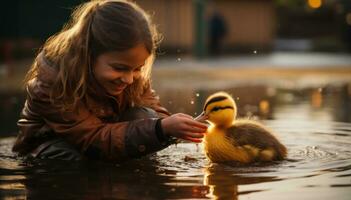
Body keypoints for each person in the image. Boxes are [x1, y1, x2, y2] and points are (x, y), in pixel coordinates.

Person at [12, 0, 208, 161]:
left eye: (137, 69)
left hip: (103, 140)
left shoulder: (130, 76)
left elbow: (151, 109)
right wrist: (161, 129)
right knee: (73, 158)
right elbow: (92, 139)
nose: (129, 78)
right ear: (88, 54)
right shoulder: (54, 82)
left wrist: (174, 126)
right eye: (119, 68)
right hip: (51, 148)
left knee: (145, 116)